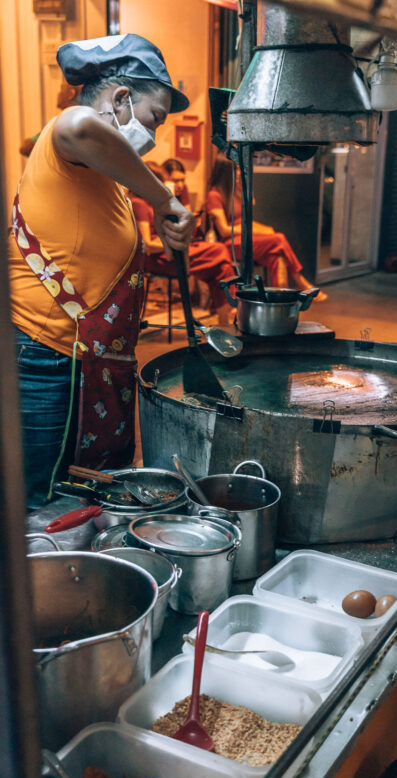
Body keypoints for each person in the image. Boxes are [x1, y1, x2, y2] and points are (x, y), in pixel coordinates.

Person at [9, 33, 195, 509]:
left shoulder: (106, 179)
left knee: (79, 498)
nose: (153, 137)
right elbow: (78, 125)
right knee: (42, 503)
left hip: (84, 362)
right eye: (154, 117)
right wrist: (163, 198)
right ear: (120, 98)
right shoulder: (67, 135)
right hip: (47, 357)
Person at [205, 154, 326, 298]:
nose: (239, 172)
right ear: (226, 171)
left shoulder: (234, 189)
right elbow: (224, 231)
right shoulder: (214, 195)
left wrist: (243, 185)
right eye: (236, 169)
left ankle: (280, 298)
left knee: (277, 257)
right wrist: (255, 230)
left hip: (244, 238)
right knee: (278, 238)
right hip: (230, 244)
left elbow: (251, 204)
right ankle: (299, 280)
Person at [130, 161, 236, 324]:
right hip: (161, 257)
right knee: (219, 249)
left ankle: (224, 320)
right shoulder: (140, 204)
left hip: (171, 251)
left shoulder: (151, 203)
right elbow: (148, 246)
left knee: (223, 269)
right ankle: (228, 315)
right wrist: (180, 241)